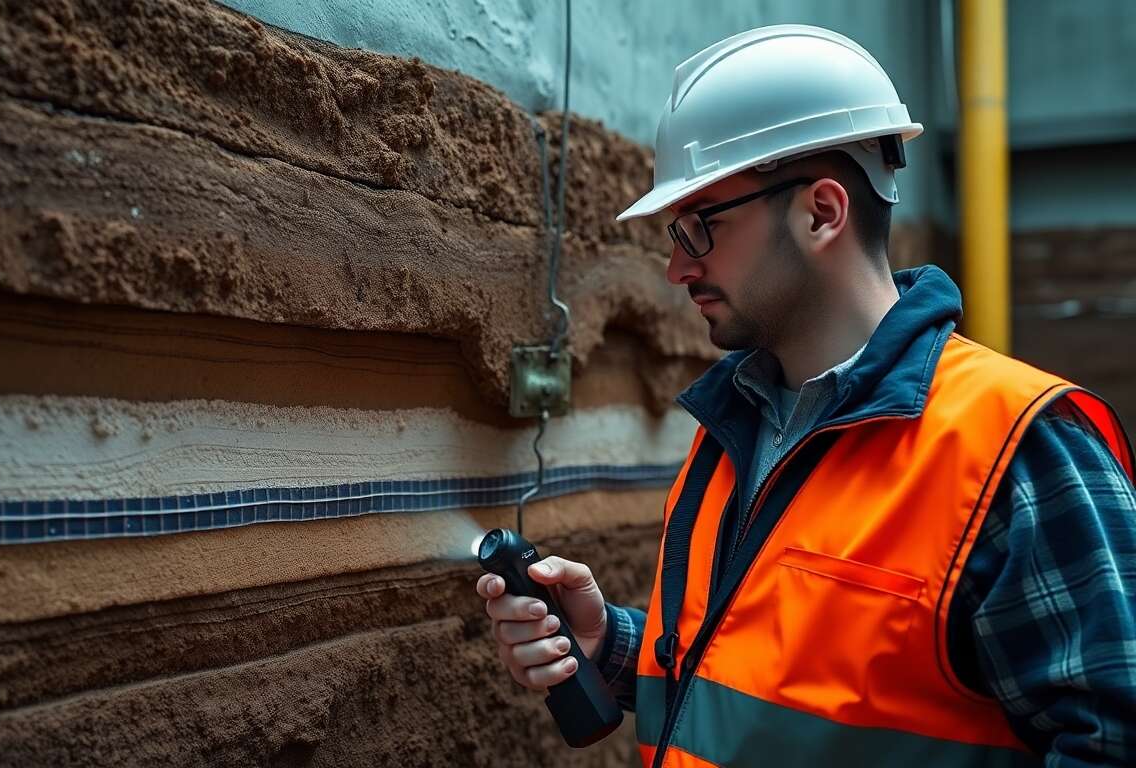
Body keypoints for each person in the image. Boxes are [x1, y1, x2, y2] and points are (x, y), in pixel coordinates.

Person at [476, 24, 1136, 767]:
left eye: (699, 227)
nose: (675, 268)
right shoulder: (734, 424)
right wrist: (611, 644)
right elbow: (768, 687)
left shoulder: (1016, 447)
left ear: (822, 212)